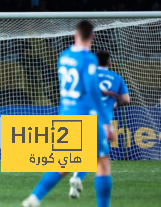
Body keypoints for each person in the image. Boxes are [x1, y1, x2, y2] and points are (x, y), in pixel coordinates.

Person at [22, 21, 116, 207]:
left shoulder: (63, 56)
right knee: (102, 162)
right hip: (85, 115)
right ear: (93, 37)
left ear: (75, 35)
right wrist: (105, 122)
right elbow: (91, 89)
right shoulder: (89, 59)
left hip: (66, 113)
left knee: (65, 163)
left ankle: (34, 198)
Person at [69, 50, 130, 199]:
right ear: (109, 62)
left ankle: (76, 179)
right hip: (102, 120)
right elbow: (126, 100)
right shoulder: (116, 78)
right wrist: (113, 105)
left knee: (88, 153)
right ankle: (77, 179)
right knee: (101, 160)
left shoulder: (88, 75)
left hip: (83, 115)